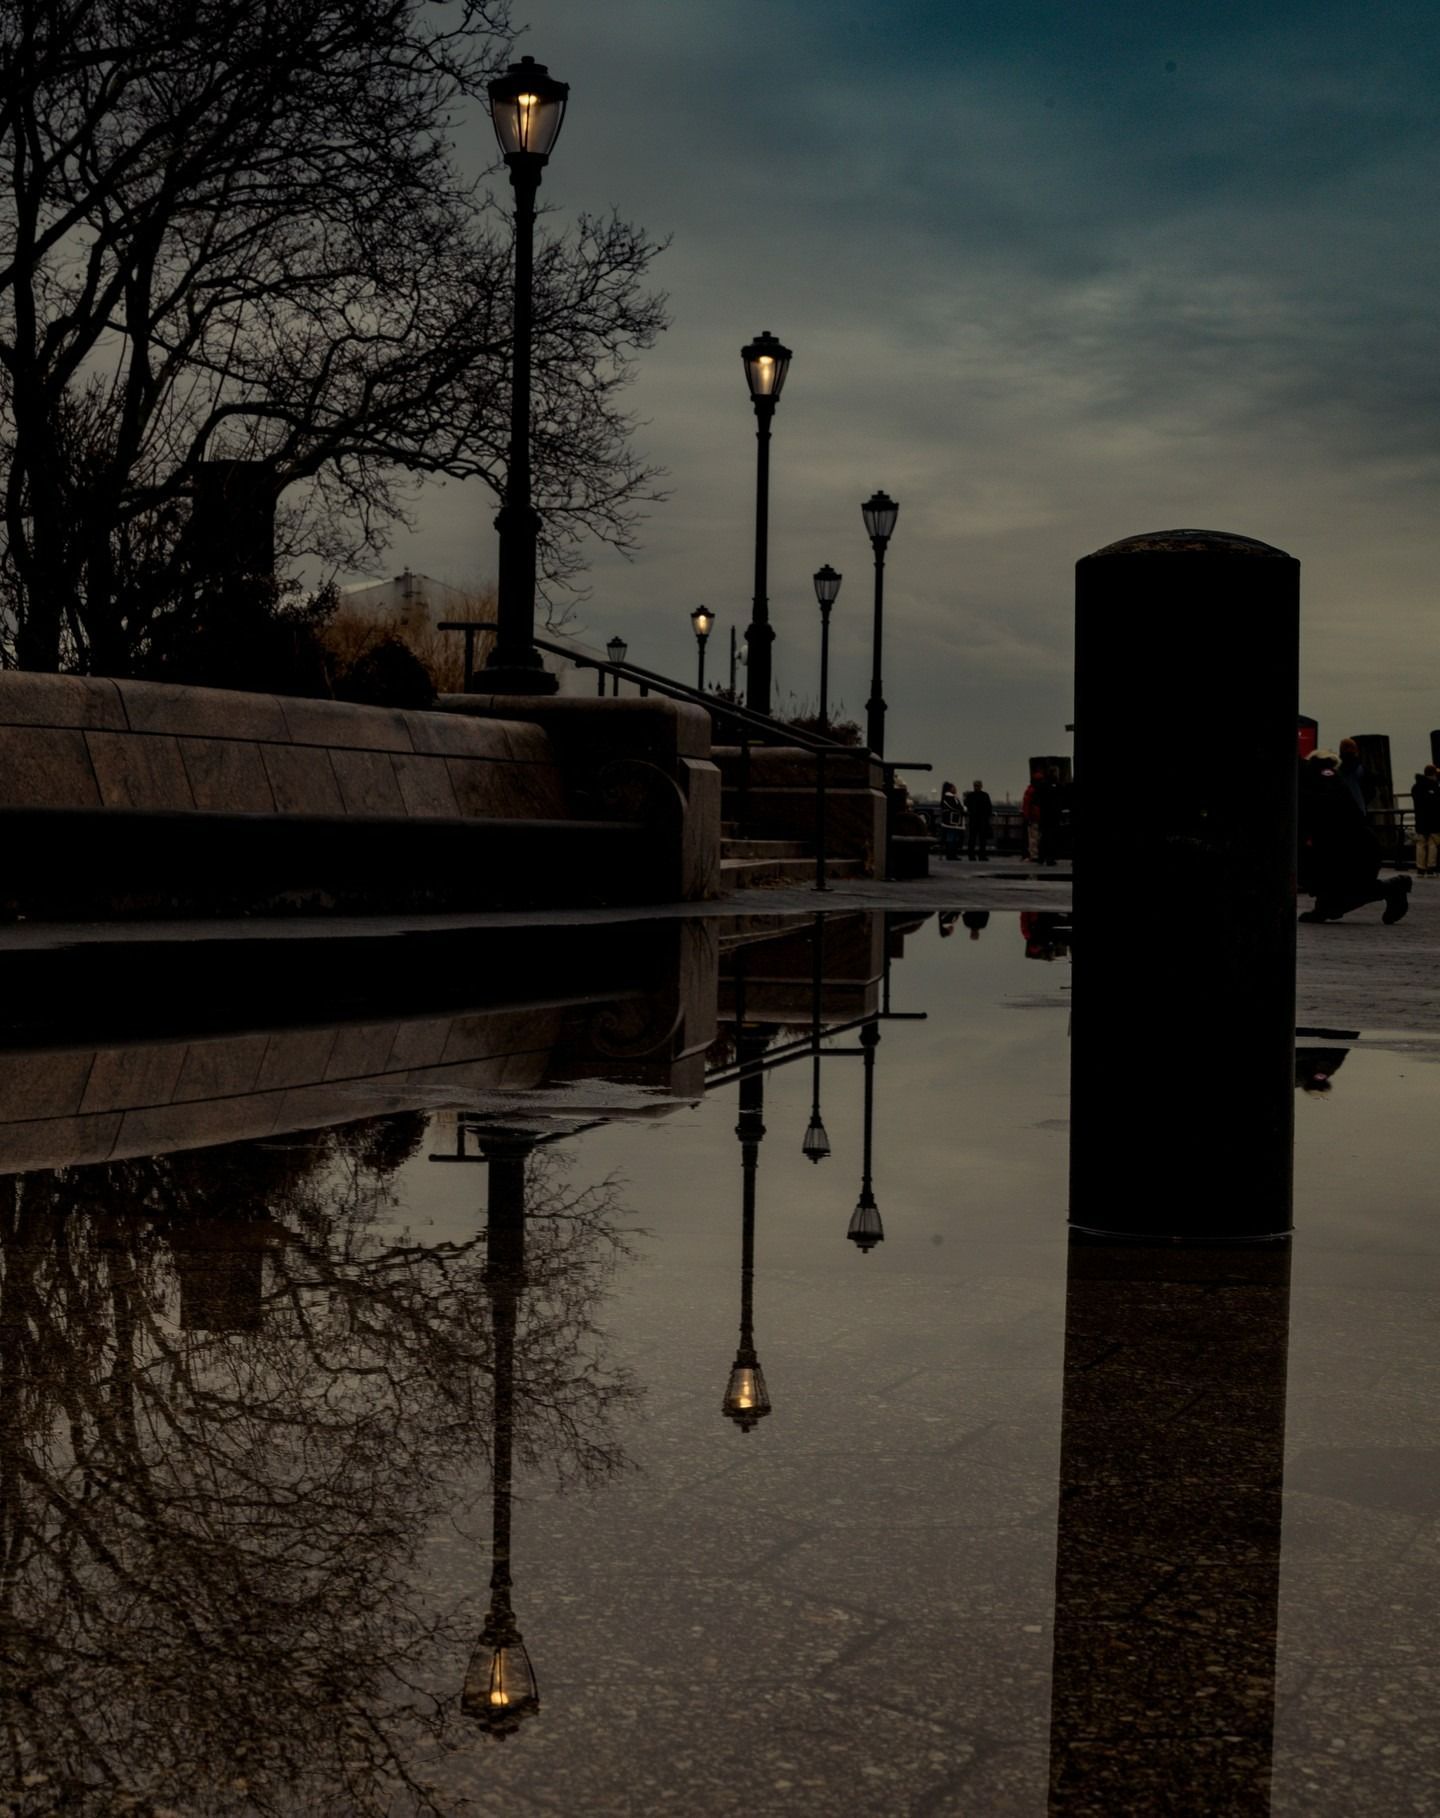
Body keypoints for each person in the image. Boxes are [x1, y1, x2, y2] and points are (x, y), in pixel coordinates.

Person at [1297, 749, 1410, 924]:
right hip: (1345, 845)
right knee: (1333, 891)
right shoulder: (1319, 777)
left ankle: (1393, 887)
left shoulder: (1321, 776)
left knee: (1347, 889)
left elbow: (1326, 803)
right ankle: (1326, 905)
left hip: (1354, 847)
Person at [1412, 764, 1440, 876]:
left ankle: (1420, 868)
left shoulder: (1416, 787)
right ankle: (1431, 867)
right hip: (1434, 820)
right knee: (1432, 844)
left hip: (1420, 819)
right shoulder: (1435, 787)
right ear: (1433, 774)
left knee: (1420, 844)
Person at [1337, 738, 1374, 818]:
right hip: (1359, 809)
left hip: (1340, 811)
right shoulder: (1361, 769)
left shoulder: (1336, 771)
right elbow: (1371, 791)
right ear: (1356, 751)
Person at [1035, 767, 1065, 865]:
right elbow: (1062, 800)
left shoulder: (1042, 785)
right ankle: (1050, 858)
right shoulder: (1058, 786)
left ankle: (1041, 857)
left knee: (1044, 837)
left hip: (1045, 815)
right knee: (1052, 838)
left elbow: (1037, 800)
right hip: (1053, 816)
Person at [962, 779, 993, 861]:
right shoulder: (985, 795)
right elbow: (989, 807)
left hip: (973, 820)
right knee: (982, 839)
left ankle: (971, 855)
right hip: (983, 820)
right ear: (981, 786)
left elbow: (966, 805)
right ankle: (982, 855)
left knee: (972, 839)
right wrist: (987, 817)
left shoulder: (970, 796)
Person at [1022, 769, 1045, 862]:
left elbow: (1026, 805)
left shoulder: (1030, 790)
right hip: (1038, 816)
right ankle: (1036, 854)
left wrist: (1026, 816)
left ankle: (1034, 854)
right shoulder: (1041, 790)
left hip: (1033, 816)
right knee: (1038, 836)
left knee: (1033, 837)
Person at [939, 780, 963, 860]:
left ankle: (951, 854)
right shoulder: (949, 797)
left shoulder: (947, 797)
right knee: (952, 838)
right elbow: (956, 807)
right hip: (951, 821)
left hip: (951, 820)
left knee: (952, 838)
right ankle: (951, 855)